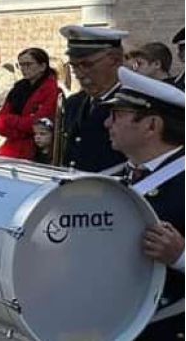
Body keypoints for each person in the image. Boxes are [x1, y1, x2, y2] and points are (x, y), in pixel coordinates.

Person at [101, 67, 183, 341]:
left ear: (151, 125)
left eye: (117, 115)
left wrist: (180, 257)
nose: (107, 124)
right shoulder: (117, 175)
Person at [60, 26, 129, 171]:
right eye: (74, 66)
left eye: (87, 65)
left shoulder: (132, 104)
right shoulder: (75, 103)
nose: (79, 74)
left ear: (115, 60)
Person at [0, 48, 59, 160]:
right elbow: (0, 123)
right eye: (21, 65)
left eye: (28, 64)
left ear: (42, 66)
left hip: (36, 151)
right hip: (12, 149)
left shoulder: (52, 90)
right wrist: (21, 126)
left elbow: (38, 124)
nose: (24, 69)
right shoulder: (18, 88)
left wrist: (11, 120)